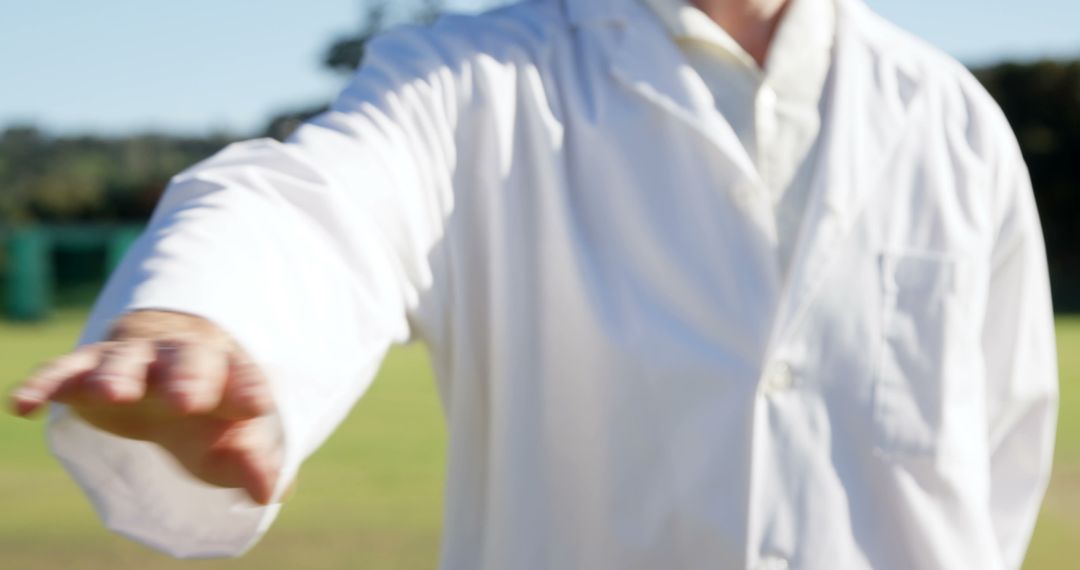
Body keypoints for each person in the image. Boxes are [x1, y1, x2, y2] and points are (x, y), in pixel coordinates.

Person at [8, 0, 1058, 567]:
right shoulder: (473, 81)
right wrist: (208, 310)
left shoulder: (951, 116)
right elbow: (319, 200)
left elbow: (1000, 449)